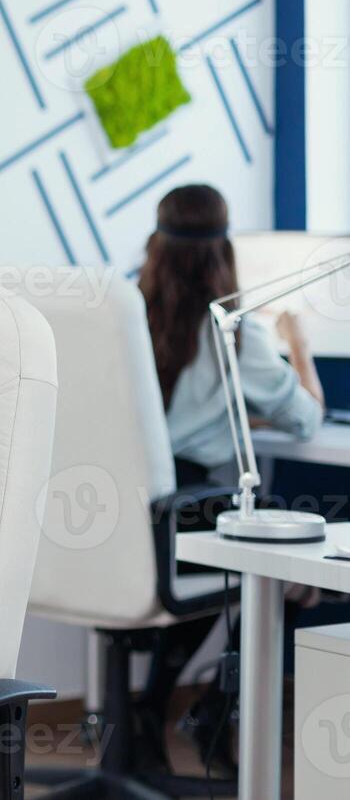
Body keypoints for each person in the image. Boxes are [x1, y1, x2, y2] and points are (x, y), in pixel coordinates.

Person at [137, 183, 324, 772]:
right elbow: (306, 417)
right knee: (292, 571)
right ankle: (219, 707)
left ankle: (151, 711)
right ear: (224, 251)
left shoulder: (127, 319)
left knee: (216, 572)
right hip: (193, 517)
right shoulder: (238, 334)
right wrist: (297, 341)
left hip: (131, 518)